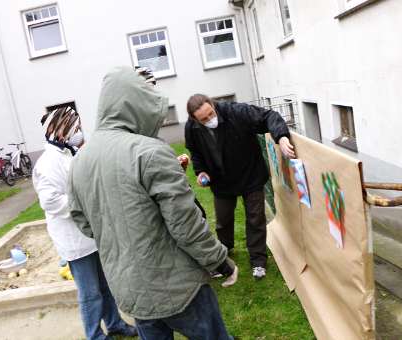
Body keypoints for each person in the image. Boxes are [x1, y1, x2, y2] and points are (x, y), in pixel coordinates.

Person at [67, 66, 236, 340]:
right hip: (177, 285)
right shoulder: (149, 152)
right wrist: (220, 261)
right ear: (137, 104)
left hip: (131, 289)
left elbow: (85, 224)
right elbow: (185, 224)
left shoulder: (80, 162)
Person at [32, 106, 137, 340]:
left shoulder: (69, 154)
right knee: (90, 293)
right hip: (74, 240)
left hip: (91, 234)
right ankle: (94, 335)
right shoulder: (47, 163)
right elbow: (51, 203)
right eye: (72, 128)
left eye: (77, 127)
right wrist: (85, 200)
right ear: (55, 129)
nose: (77, 132)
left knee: (105, 285)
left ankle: (115, 323)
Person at [185, 94, 296, 279]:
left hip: (250, 174)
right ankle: (224, 251)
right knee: (223, 220)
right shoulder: (192, 128)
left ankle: (258, 261)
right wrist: (201, 171)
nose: (210, 120)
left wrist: (282, 137)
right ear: (195, 119)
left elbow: (269, 116)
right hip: (221, 180)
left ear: (213, 105)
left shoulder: (236, 112)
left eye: (211, 114)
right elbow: (195, 152)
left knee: (255, 218)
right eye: (204, 119)